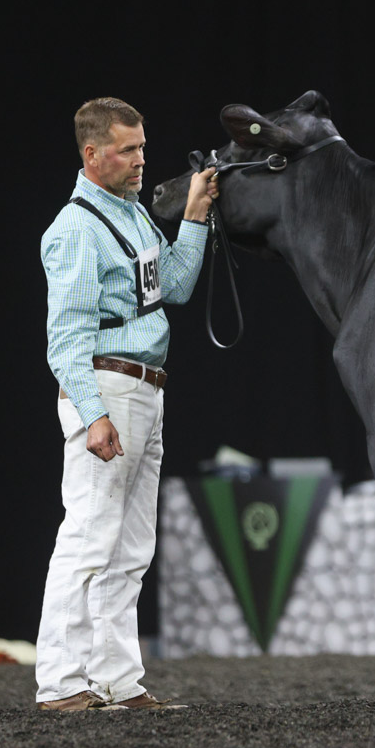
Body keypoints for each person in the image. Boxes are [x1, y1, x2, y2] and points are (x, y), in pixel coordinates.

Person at [36, 97, 217, 711]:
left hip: (146, 387)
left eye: (142, 147)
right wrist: (93, 414)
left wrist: (195, 214)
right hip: (106, 386)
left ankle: (116, 678)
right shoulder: (75, 229)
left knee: (131, 546)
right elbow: (67, 337)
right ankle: (60, 682)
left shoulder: (133, 214)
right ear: (92, 154)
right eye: (128, 150)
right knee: (89, 536)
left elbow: (176, 286)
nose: (141, 160)